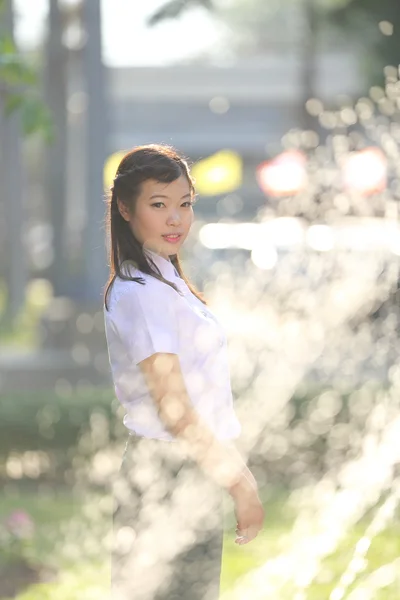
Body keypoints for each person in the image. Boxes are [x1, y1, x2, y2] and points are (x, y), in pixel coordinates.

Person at [103, 144, 264, 600]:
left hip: (183, 467)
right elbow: (173, 409)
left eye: (185, 204)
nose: (176, 219)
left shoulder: (163, 282)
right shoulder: (142, 292)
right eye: (159, 205)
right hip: (166, 471)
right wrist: (240, 482)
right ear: (125, 208)